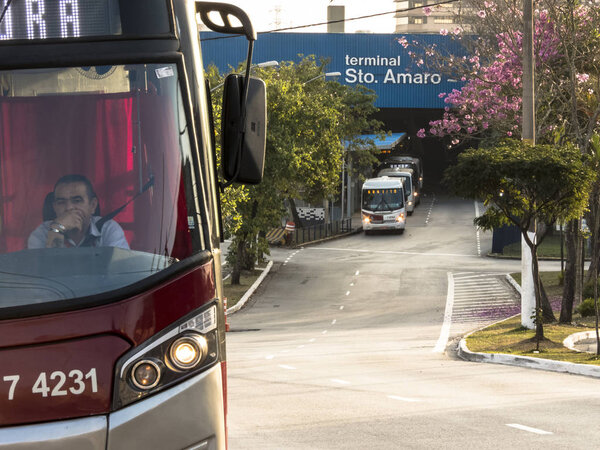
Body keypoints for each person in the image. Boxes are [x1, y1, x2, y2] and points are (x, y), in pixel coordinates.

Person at [28, 174, 129, 249]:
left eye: (77, 201)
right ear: (54, 207)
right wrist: (57, 229)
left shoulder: (108, 229)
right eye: (61, 202)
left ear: (92, 205)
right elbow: (47, 271)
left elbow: (119, 270)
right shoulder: (41, 233)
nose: (69, 208)